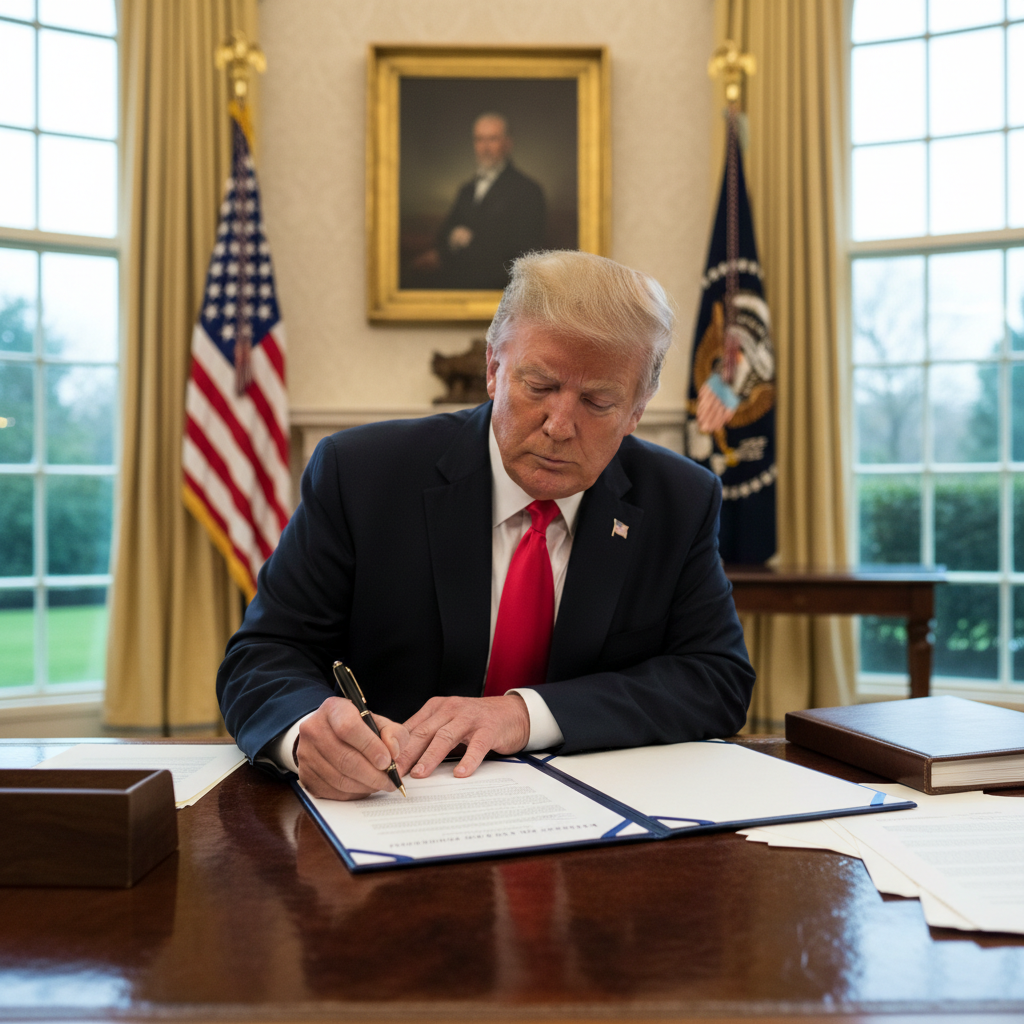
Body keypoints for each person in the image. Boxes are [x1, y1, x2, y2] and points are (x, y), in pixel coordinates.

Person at [217, 250, 755, 801]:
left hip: (589, 831)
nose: (560, 425)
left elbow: (716, 678)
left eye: (598, 402)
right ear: (494, 369)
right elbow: (262, 657)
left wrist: (524, 715)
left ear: (637, 411)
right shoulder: (361, 475)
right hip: (392, 810)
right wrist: (304, 734)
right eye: (540, 386)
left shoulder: (679, 500)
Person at [409, 113, 546, 289]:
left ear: (507, 144)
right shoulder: (466, 190)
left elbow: (523, 250)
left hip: (497, 284)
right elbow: (443, 233)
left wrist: (470, 242)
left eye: (492, 139)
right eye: (479, 140)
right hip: (456, 277)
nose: (485, 147)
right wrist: (452, 237)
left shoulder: (528, 191)